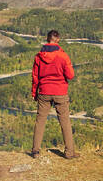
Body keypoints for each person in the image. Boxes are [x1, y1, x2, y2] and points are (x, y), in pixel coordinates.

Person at [30, 29, 77, 159]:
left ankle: (35, 151)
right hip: (60, 92)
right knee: (65, 122)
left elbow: (35, 77)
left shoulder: (39, 56)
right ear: (58, 40)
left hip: (44, 92)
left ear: (47, 39)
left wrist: (34, 93)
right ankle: (69, 153)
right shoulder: (63, 56)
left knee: (40, 121)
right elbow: (70, 75)